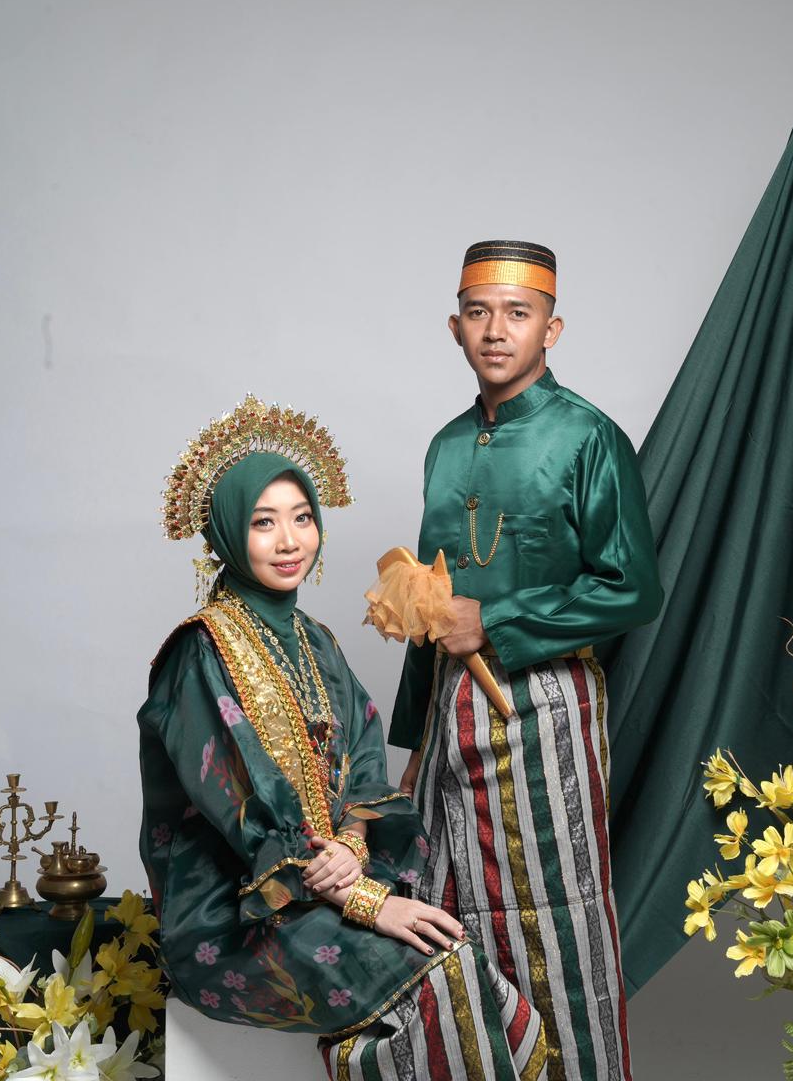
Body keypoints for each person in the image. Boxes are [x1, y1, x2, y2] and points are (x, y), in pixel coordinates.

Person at [139, 396, 550, 1079]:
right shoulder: (201, 653)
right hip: (235, 918)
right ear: (225, 533)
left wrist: (354, 844)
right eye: (264, 522)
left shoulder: (316, 642)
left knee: (474, 957)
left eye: (302, 518)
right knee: (442, 975)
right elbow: (245, 807)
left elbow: (363, 758)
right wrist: (362, 898)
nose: (289, 541)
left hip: (329, 881)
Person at [387, 241, 663, 1081]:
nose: (496, 331)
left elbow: (632, 589)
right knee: (432, 912)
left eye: (518, 313)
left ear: (552, 328)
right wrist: (414, 738)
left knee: (554, 920)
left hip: (544, 709)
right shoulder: (444, 446)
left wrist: (499, 618)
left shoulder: (588, 436)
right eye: (478, 313)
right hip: (449, 713)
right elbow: (431, 602)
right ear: (455, 327)